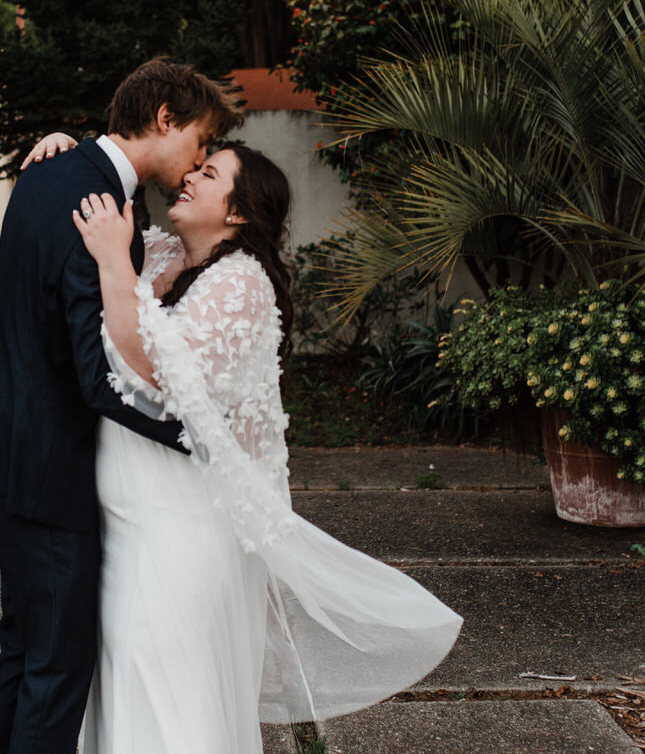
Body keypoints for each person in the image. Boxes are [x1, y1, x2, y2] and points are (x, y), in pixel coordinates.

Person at [44, 137, 463, 753]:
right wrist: (66, 147)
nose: (189, 178)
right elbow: (90, 211)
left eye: (208, 175)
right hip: (127, 524)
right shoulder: (164, 256)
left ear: (238, 212)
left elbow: (156, 369)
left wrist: (112, 264)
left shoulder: (241, 283)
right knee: (125, 681)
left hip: (177, 531)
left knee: (165, 687)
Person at [0, 59, 243, 754]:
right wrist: (200, 436)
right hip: (45, 463)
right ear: (165, 117)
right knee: (57, 665)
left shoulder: (58, 170)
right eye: (199, 140)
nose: (199, 159)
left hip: (0, 435)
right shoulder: (95, 206)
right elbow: (97, 376)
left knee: (24, 648)